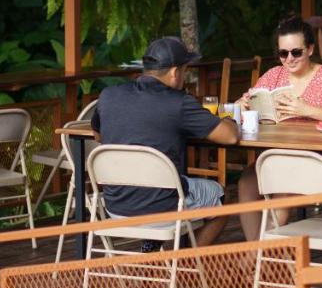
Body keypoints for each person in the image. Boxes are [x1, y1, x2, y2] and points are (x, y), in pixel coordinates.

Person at [91, 36, 239, 247]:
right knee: (223, 196)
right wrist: (230, 119)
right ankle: (185, 262)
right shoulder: (178, 103)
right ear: (175, 72)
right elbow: (230, 136)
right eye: (185, 71)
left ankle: (152, 246)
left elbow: (98, 136)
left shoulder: (108, 95)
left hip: (115, 204)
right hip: (163, 206)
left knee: (168, 185)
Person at [236, 16, 322, 240]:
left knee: (281, 180)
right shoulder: (273, 75)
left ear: (309, 49)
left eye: (296, 52)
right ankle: (256, 248)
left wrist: (306, 109)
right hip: (278, 157)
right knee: (246, 182)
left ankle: (258, 255)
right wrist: (244, 106)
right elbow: (250, 103)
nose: (289, 59)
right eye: (283, 53)